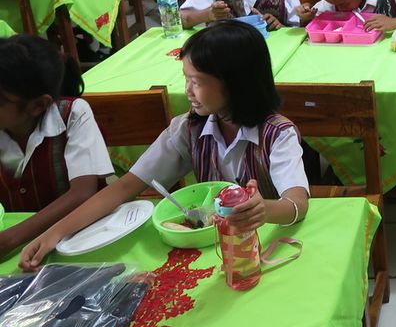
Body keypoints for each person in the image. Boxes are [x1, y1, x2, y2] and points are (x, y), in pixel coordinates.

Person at [19, 21, 311, 271]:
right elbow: (124, 188)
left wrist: (264, 211)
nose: (186, 91)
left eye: (196, 81)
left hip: (266, 253)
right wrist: (53, 234)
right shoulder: (188, 129)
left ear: (236, 84)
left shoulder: (276, 134)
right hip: (210, 253)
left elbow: (296, 204)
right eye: (186, 79)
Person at [0, 36, 112, 259]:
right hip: (18, 255)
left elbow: (82, 192)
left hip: (80, 241)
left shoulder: (73, 114)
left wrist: (11, 239)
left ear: (38, 105)